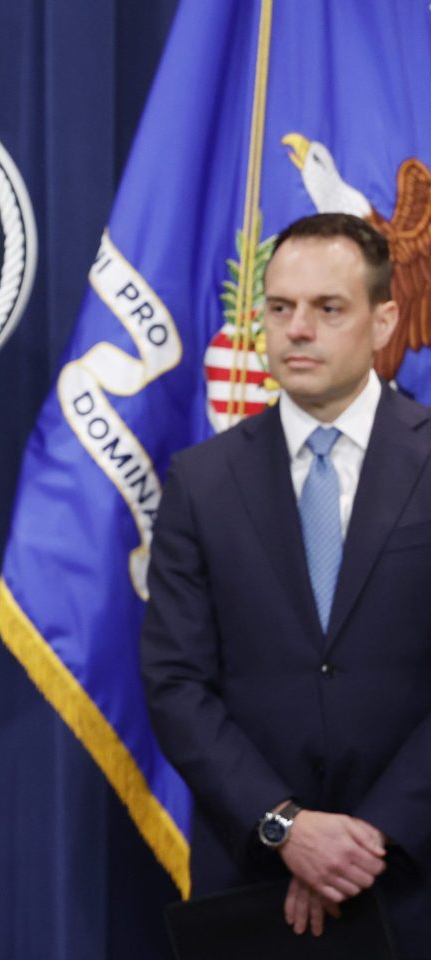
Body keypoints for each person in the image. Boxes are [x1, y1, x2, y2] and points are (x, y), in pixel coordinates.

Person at [141, 212, 431, 953]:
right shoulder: (202, 481)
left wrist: (369, 838)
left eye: (328, 308)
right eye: (279, 307)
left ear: (383, 320)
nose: (297, 329)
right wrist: (286, 826)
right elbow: (176, 683)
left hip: (414, 873)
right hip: (253, 878)